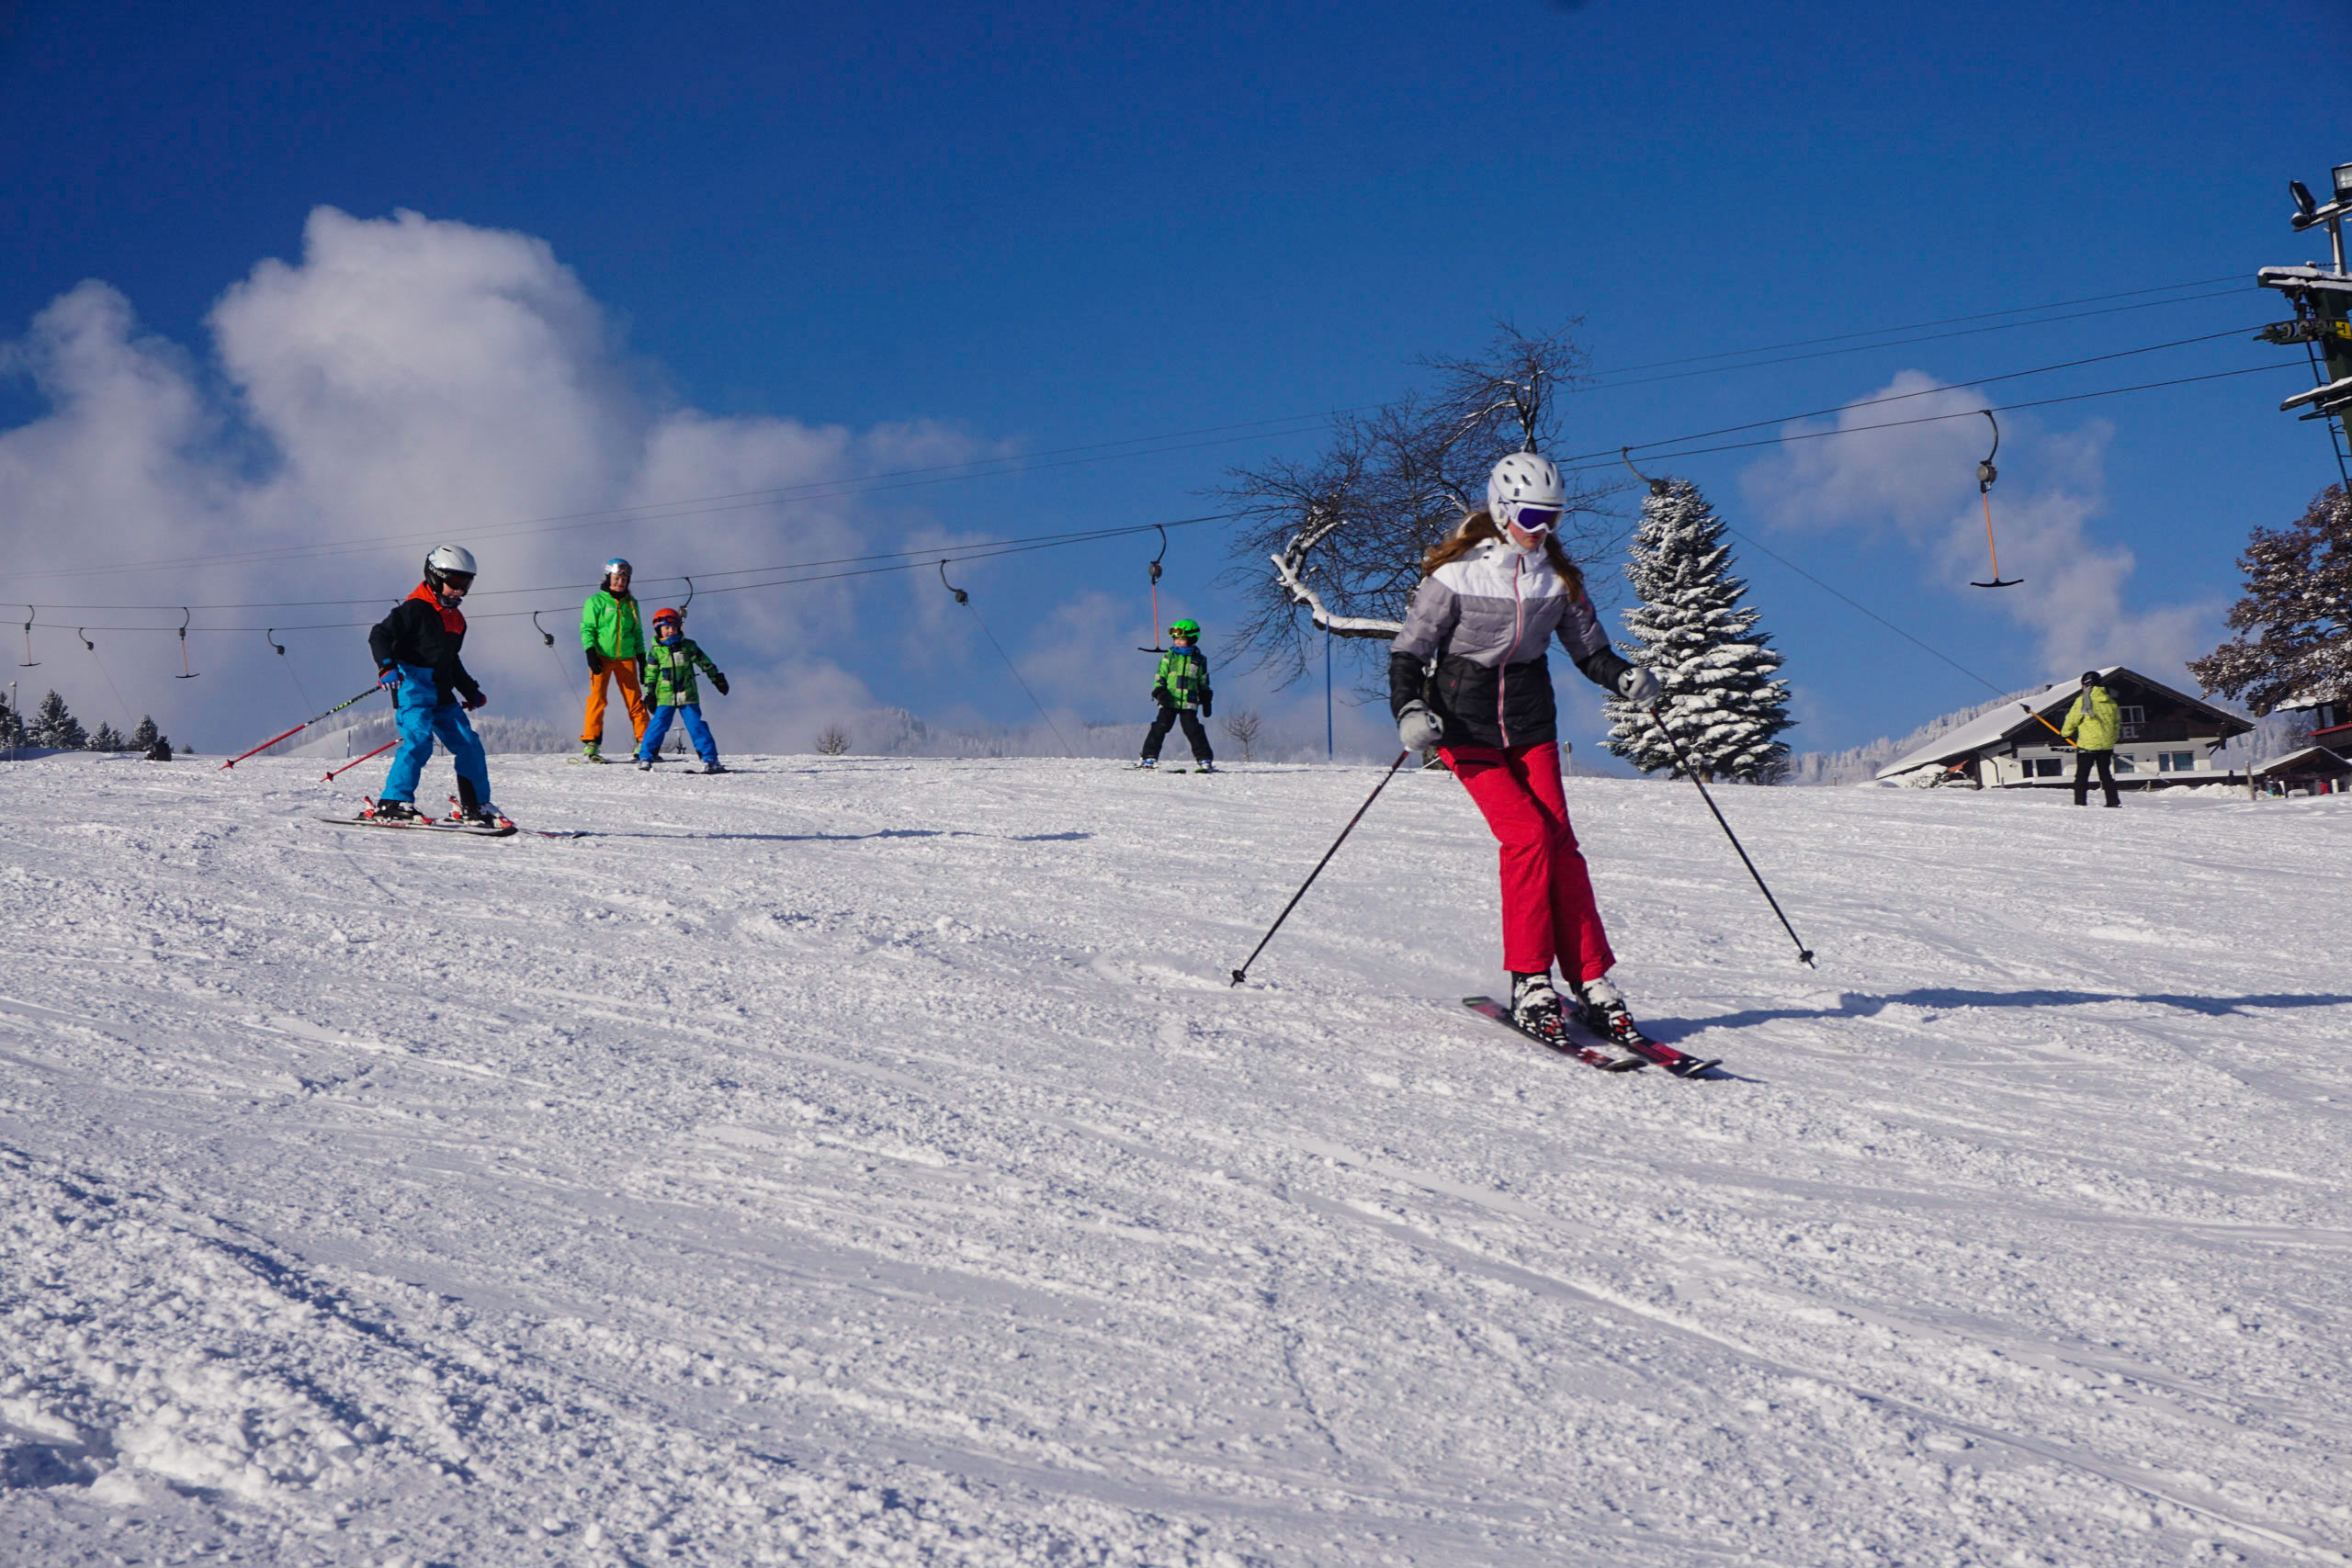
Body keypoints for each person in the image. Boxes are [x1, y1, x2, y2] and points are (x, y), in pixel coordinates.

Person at [1388, 454, 1660, 1060]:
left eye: (1554, 517)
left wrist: (1624, 678)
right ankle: (1530, 978)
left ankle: (1589, 978)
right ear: (1504, 510)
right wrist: (1409, 709)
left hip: (1531, 725)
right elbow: (1408, 652)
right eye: (1534, 515)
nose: (1543, 529)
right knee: (1529, 837)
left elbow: (1591, 650)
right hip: (1465, 730)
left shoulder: (1556, 580)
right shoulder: (1456, 576)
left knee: (1560, 841)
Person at [364, 545, 503, 825]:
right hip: (413, 686)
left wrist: (470, 690)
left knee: (469, 743)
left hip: (442, 691)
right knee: (418, 741)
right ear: (435, 576)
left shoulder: (457, 619)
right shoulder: (415, 608)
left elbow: (451, 661)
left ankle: (475, 805)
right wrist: (387, 666)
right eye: (454, 583)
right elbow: (379, 634)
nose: (460, 591)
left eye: (465, 584)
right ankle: (393, 802)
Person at [634, 607, 730, 773]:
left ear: (679, 627)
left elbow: (704, 662)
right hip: (665, 696)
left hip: (688, 695)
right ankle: (646, 758)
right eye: (666, 628)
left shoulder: (688, 646)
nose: (670, 631)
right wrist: (649, 694)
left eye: (673, 627)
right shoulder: (655, 651)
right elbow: (650, 674)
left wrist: (717, 678)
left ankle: (710, 759)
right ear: (659, 630)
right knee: (657, 725)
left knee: (696, 726)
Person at [579, 558, 649, 761]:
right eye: (617, 578)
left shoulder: (631, 604)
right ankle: (592, 742)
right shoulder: (596, 602)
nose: (620, 583)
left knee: (635, 700)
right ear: (609, 577)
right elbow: (588, 629)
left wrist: (642, 659)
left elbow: (637, 632)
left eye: (624, 579)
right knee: (597, 699)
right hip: (602, 656)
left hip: (626, 658)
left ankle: (644, 741)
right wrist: (590, 652)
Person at [1138, 619, 1215, 772]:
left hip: (1189, 701)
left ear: (1192, 638)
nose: (1177, 642)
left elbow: (1203, 679)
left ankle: (1205, 760)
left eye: (1181, 639)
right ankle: (1148, 757)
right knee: (1160, 726)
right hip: (1169, 700)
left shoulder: (1199, 659)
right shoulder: (1169, 657)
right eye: (1175, 639)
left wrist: (1206, 697)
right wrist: (1160, 691)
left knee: (1193, 730)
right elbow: (1160, 676)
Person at [2063, 670, 2121, 807]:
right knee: (2106, 775)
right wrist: (2111, 741)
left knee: (2082, 776)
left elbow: (2073, 719)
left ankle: (2080, 802)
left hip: (2087, 745)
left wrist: (2065, 734)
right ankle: (2113, 802)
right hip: (2106, 746)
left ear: (2086, 685)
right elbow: (2116, 724)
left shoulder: (2083, 700)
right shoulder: (2110, 701)